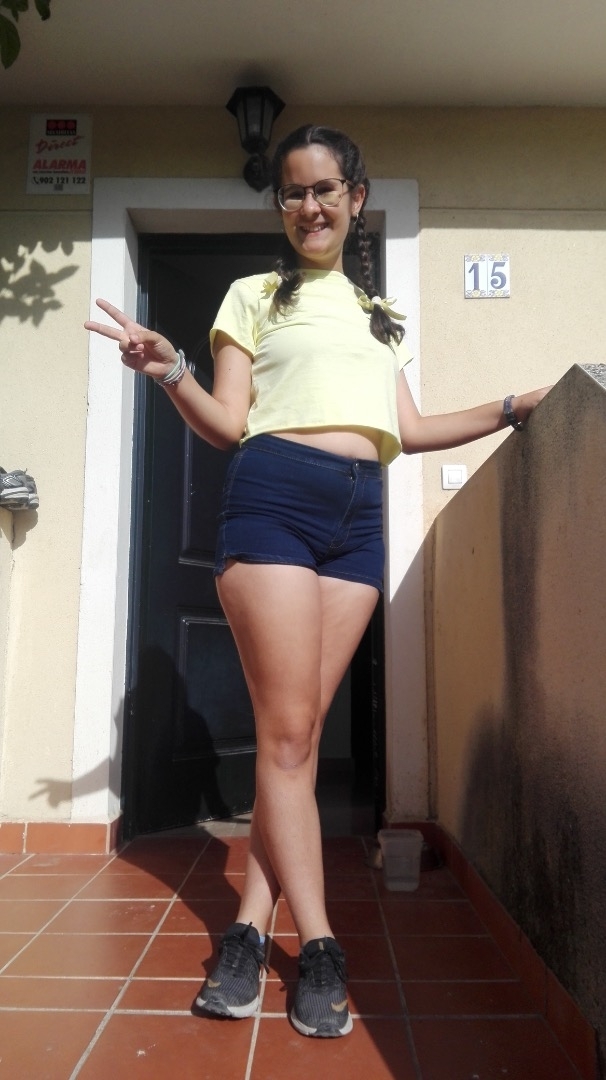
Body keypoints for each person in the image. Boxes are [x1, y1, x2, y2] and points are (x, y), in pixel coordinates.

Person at [85, 124, 548, 1038]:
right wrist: (169, 369)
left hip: (359, 520)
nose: (310, 206)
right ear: (281, 206)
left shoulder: (381, 316)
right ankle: (324, 945)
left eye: (326, 189)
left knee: (288, 747)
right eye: (294, 192)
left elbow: (407, 430)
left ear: (355, 198)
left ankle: (247, 931)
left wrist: (508, 408)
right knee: (290, 738)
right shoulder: (253, 296)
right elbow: (227, 421)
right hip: (274, 500)